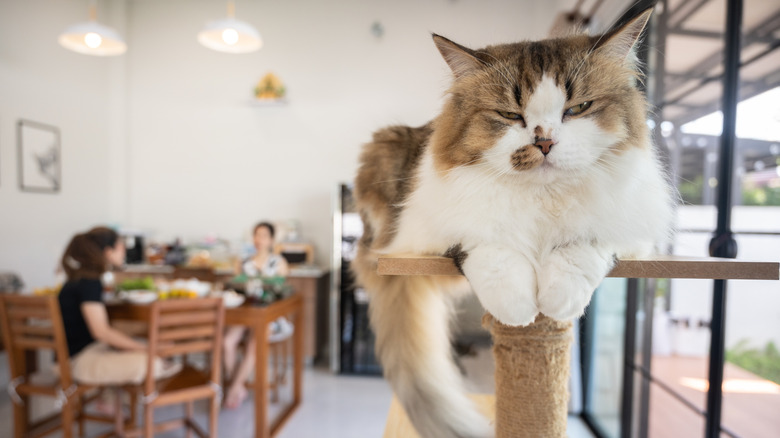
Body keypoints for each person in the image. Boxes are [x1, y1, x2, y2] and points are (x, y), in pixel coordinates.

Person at [58, 226, 178, 386]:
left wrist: (145, 345)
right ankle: (111, 401)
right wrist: (146, 349)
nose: (124, 253)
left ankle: (109, 402)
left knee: (139, 348)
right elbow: (101, 332)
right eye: (121, 248)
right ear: (108, 252)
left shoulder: (81, 279)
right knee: (153, 363)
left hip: (84, 352)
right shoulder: (89, 283)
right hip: (78, 360)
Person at [223, 221, 290, 409]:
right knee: (227, 342)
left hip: (270, 316)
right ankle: (239, 386)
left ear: (271, 240)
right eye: (256, 235)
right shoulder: (243, 262)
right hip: (245, 313)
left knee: (254, 344)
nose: (259, 240)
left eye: (263, 236)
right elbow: (235, 289)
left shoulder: (279, 263)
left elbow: (280, 292)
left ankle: (234, 388)